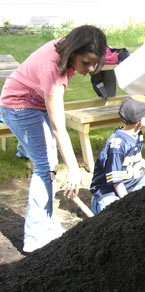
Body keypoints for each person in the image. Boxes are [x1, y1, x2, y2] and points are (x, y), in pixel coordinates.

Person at [0, 25, 107, 253]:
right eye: (86, 62)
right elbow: (59, 127)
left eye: (93, 63)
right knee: (46, 166)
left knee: (48, 163)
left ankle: (47, 224)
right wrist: (74, 169)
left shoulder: (68, 48)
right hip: (19, 106)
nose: (89, 69)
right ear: (74, 52)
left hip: (35, 102)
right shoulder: (53, 69)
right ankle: (35, 237)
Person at [90, 95, 145, 214]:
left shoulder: (137, 134)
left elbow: (137, 159)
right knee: (117, 212)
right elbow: (116, 183)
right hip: (110, 191)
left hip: (133, 181)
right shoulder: (117, 146)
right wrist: (128, 203)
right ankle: (98, 206)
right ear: (140, 121)